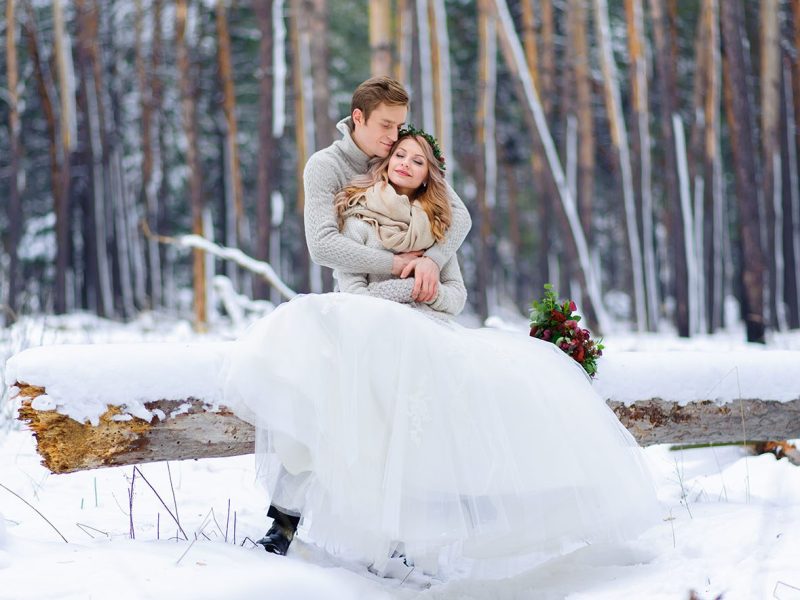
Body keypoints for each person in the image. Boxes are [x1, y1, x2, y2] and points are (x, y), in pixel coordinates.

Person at [224, 127, 661, 578]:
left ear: (429, 177)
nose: (406, 165)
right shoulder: (356, 217)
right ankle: (284, 521)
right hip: (363, 339)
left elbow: (455, 297)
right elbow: (351, 292)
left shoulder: (433, 230)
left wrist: (427, 277)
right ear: (386, 161)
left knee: (434, 417)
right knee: (332, 401)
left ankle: (406, 538)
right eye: (401, 155)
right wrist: (408, 280)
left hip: (423, 336)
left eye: (418, 162)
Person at [253, 76, 472, 556]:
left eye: (400, 126)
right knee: (320, 390)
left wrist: (432, 261)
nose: (397, 139)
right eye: (386, 127)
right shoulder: (326, 167)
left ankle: (410, 528)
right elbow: (323, 245)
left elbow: (459, 216)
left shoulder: (403, 158)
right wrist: (402, 267)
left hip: (412, 315)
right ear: (359, 119)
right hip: (357, 306)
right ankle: (286, 520)